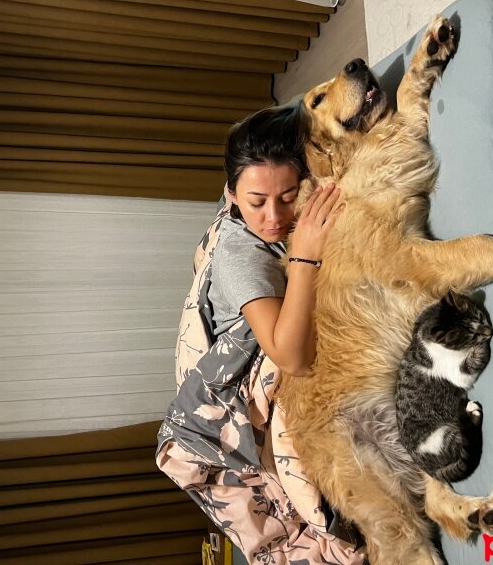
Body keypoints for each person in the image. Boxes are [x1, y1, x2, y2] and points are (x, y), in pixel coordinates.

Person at [156, 104, 364, 565]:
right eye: (256, 203)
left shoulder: (271, 186)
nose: (274, 216)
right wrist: (306, 255)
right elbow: (291, 357)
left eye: (289, 196)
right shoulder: (239, 256)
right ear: (231, 195)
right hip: (220, 412)